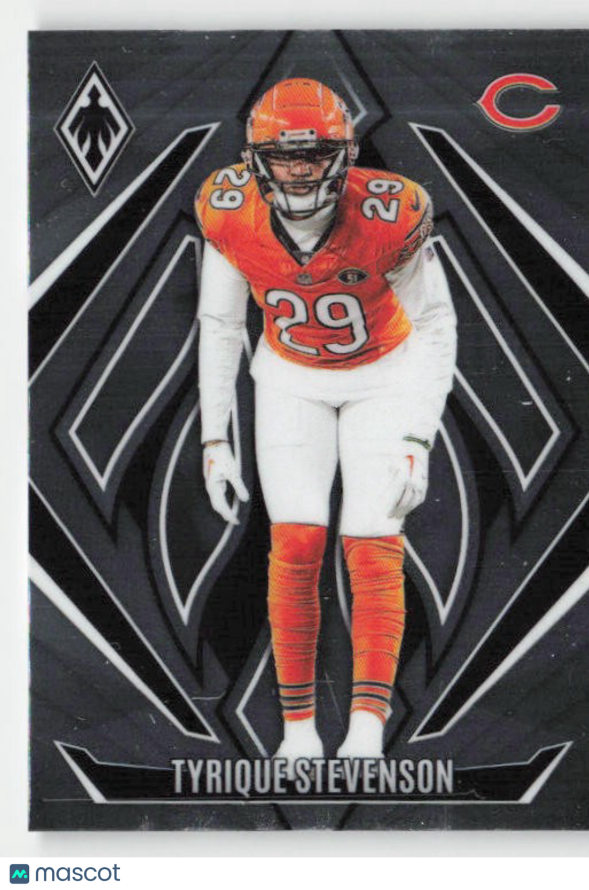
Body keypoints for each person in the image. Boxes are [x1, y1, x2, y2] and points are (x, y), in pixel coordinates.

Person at [195, 78, 457, 770]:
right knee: (296, 544)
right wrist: (214, 438)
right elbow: (219, 323)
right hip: (290, 378)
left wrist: (417, 435)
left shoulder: (390, 212)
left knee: (372, 544)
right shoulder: (228, 211)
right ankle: (298, 729)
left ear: (345, 155)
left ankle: (366, 728)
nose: (301, 171)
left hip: (384, 375)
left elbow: (434, 322)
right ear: (255, 161)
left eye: (314, 154)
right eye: (284, 157)